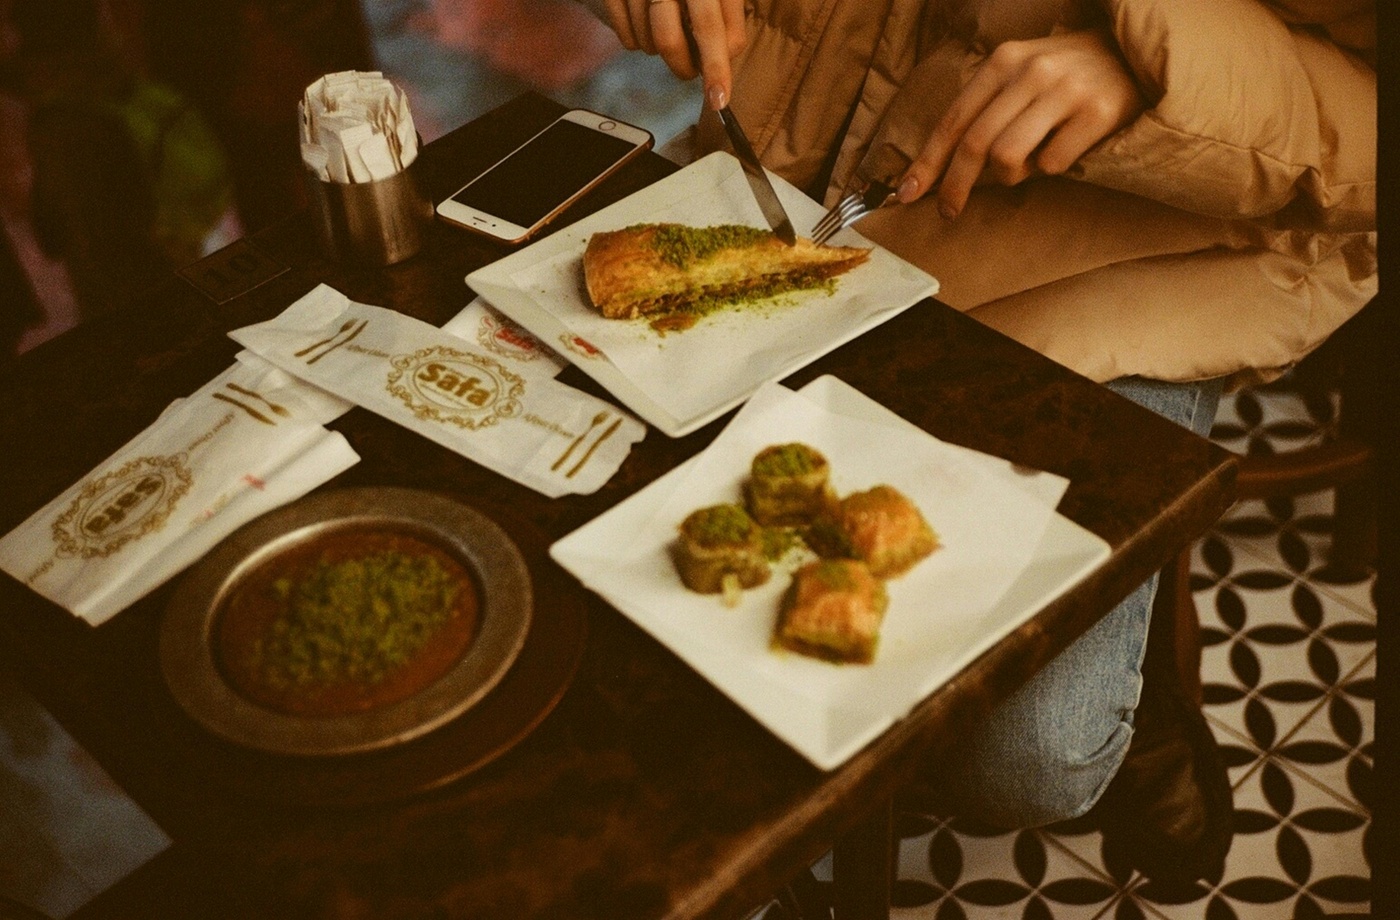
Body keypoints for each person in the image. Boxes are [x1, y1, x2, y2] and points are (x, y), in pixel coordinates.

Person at [579, 0, 1377, 884]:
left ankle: (1148, 680)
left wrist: (1165, 76)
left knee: (1031, 759)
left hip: (1134, 240)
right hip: (794, 162)